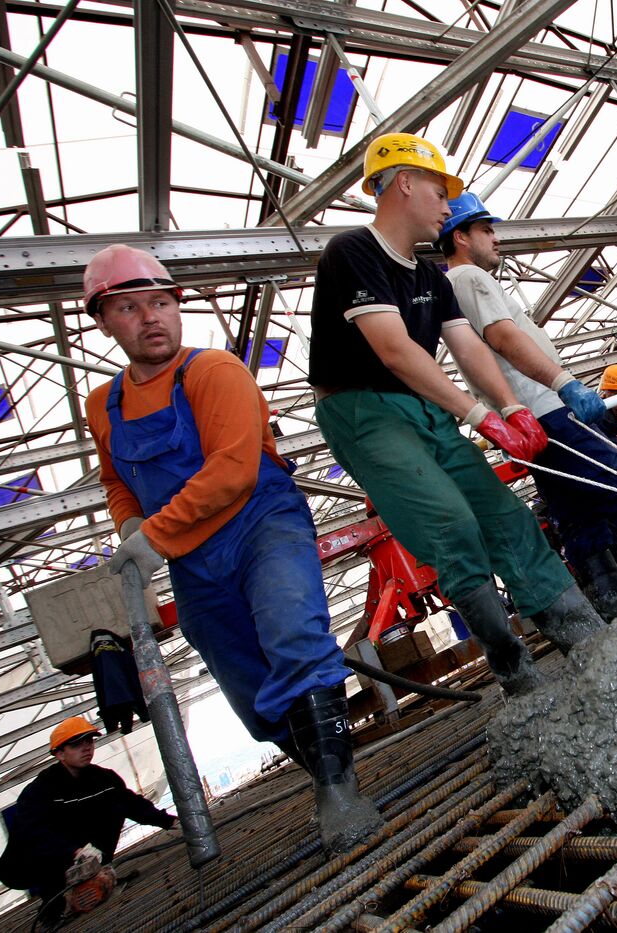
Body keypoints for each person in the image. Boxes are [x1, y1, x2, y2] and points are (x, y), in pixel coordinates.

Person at [82, 245, 380, 852]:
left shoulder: (213, 371)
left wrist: (155, 537)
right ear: (104, 320)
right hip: (195, 560)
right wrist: (129, 528)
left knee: (292, 631)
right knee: (247, 688)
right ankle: (325, 775)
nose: (151, 318)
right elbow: (116, 480)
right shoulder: (103, 405)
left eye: (161, 303)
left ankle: (341, 792)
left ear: (177, 306)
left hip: (260, 524)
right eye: (130, 307)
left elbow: (234, 470)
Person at [309, 134, 600, 692]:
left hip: (422, 405)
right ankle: (516, 672)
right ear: (405, 183)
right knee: (452, 524)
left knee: (506, 516)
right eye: (441, 192)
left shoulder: (425, 276)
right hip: (362, 411)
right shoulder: (352, 252)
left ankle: (582, 634)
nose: (448, 207)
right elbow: (394, 350)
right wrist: (478, 416)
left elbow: (465, 345)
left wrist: (511, 407)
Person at [437, 191, 617, 618]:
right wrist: (564, 383)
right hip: (544, 409)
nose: (495, 238)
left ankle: (613, 606)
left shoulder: (454, 288)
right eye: (486, 229)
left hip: (527, 423)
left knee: (578, 515)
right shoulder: (469, 279)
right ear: (460, 236)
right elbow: (503, 336)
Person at [0, 718, 175, 927]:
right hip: (41, 864)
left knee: (115, 804)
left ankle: (95, 875)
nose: (86, 748)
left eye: (89, 741)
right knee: (41, 840)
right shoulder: (40, 791)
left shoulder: (105, 780)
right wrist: (74, 851)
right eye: (76, 745)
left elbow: (132, 804)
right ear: (59, 754)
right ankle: (56, 902)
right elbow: (32, 833)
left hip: (88, 856)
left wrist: (169, 821)